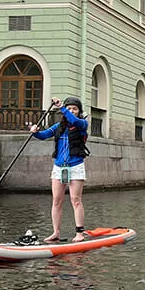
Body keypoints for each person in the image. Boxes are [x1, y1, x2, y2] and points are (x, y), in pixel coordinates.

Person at [30, 96, 90, 243]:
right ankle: (56, 232)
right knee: (56, 200)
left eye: (74, 109)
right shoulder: (58, 127)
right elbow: (43, 135)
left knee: (75, 200)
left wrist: (62, 107)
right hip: (59, 167)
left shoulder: (82, 124)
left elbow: (74, 121)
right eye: (69, 109)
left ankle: (79, 233)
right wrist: (34, 131)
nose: (71, 111)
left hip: (75, 165)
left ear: (79, 112)